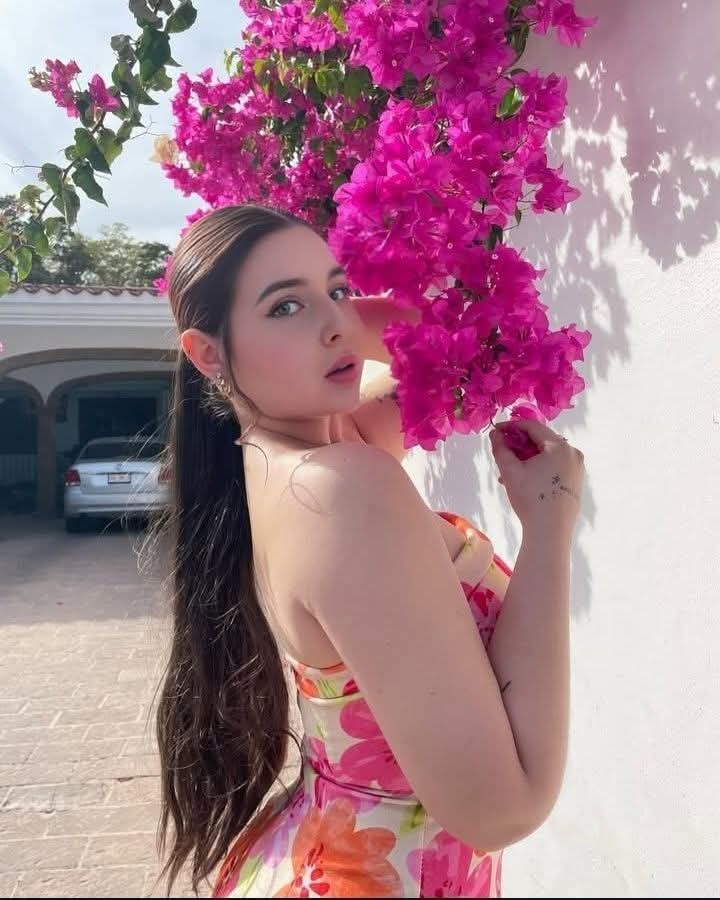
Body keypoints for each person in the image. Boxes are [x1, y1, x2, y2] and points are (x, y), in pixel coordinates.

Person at [155, 203, 586, 898]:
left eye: (338, 289)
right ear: (209, 355)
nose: (336, 323)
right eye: (285, 306)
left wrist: (328, 309)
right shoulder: (340, 489)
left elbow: (467, 345)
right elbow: (504, 809)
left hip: (327, 853)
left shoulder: (288, 461)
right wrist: (550, 526)